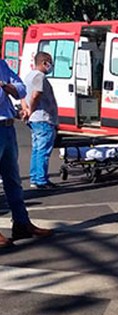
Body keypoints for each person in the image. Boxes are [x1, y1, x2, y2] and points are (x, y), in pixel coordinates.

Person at [0, 59, 53, 248]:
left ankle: (22, 223)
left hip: (7, 127)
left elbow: (21, 89)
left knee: (13, 180)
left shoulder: (2, 65)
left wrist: (7, 87)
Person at [22, 51, 59, 189]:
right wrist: (31, 109)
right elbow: (36, 94)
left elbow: (22, 95)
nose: (51, 66)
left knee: (37, 149)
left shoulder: (29, 75)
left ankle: (36, 178)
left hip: (35, 119)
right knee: (43, 150)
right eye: (50, 63)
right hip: (43, 118)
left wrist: (26, 110)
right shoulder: (39, 76)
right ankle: (41, 180)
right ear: (44, 63)